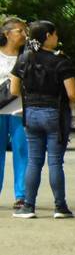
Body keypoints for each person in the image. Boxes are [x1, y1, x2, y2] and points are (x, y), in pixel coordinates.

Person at [9, 20, 75, 219]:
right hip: (54, 114)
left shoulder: (24, 59)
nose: (57, 38)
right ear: (48, 36)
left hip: (30, 113)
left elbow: (14, 89)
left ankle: (28, 206)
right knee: (55, 162)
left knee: (34, 161)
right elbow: (73, 94)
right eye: (55, 34)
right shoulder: (60, 61)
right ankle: (60, 207)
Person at [0, 17, 29, 209]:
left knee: (22, 152)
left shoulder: (27, 56)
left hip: (19, 111)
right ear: (7, 34)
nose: (24, 35)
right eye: (20, 31)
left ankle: (22, 195)